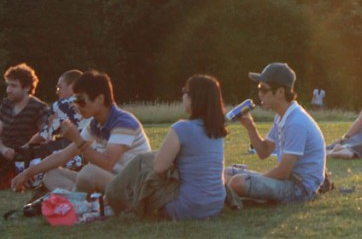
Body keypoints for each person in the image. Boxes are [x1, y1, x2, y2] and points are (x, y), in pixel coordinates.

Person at [11, 70, 151, 193]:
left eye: (81, 101)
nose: (77, 106)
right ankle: (81, 197)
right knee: (51, 175)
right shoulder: (95, 124)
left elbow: (107, 164)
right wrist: (27, 173)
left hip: (130, 185)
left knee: (89, 172)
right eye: (75, 100)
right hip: (107, 180)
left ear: (100, 99)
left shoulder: (123, 123)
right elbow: (62, 156)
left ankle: (77, 197)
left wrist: (77, 139)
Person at [225, 62, 326, 204]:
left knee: (238, 182)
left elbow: (283, 171)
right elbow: (264, 152)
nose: (259, 93)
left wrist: (256, 179)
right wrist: (251, 127)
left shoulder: (296, 122)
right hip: (288, 180)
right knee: (225, 173)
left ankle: (234, 195)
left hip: (300, 188)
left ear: (280, 92)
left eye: (263, 89)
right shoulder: (281, 116)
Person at [153, 75, 228, 220]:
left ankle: (111, 199)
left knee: (143, 164)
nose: (182, 95)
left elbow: (158, 167)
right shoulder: (217, 131)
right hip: (215, 206)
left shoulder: (182, 128)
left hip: (188, 208)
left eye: (185, 91)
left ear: (195, 97)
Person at [1, 64, 50, 186]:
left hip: (24, 158)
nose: (8, 90)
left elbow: (45, 134)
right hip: (3, 152)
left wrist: (21, 150)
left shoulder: (39, 108)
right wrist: (2, 148)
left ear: (27, 87)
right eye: (8, 85)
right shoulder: (7, 104)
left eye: (13, 86)